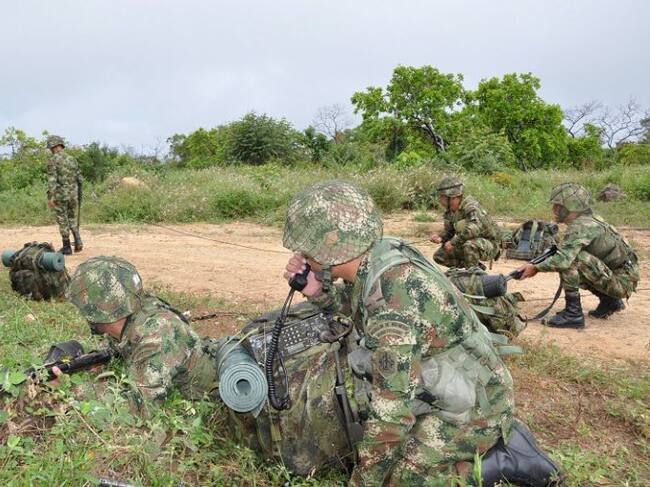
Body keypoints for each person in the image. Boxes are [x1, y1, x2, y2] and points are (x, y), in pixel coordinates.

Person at [282, 180, 560, 486]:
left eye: (307, 247)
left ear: (330, 248)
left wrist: (363, 482)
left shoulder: (394, 306)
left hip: (474, 408)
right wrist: (318, 292)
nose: (301, 253)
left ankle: (507, 459)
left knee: (396, 478)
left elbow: (391, 415)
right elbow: (359, 307)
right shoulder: (380, 254)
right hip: (448, 388)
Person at [64, 256, 219, 403]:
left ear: (98, 312)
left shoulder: (157, 333)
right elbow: (120, 351)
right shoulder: (133, 312)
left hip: (217, 400)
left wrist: (71, 391)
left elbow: (140, 404)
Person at [518, 183, 639, 328]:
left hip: (622, 282)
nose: (554, 210)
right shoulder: (589, 219)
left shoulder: (581, 226)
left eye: (558, 206)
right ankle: (610, 301)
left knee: (572, 260)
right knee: (573, 258)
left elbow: (563, 260)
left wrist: (535, 268)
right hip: (623, 277)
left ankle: (573, 314)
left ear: (571, 207)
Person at [430, 176, 501, 270]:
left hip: (490, 244)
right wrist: (440, 238)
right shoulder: (450, 211)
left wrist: (453, 243)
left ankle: (473, 274)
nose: (440, 199)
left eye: (442, 196)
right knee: (440, 256)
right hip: (467, 241)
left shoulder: (470, 207)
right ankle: (475, 267)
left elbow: (473, 229)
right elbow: (449, 232)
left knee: (469, 245)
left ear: (452, 197)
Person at [46, 135, 82, 255]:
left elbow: (52, 180)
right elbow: (79, 178)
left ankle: (66, 247)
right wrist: (78, 193)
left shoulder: (53, 160)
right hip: (73, 194)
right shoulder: (72, 159)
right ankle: (78, 241)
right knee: (72, 217)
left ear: (53, 146)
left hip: (60, 196)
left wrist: (50, 197)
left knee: (62, 219)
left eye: (50, 148)